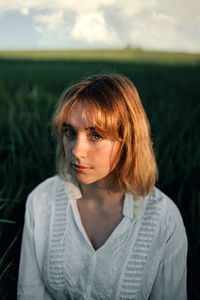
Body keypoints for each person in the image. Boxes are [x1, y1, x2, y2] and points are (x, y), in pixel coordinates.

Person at [17, 73, 188, 300]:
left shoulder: (164, 220)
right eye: (70, 132)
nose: (77, 151)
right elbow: (29, 293)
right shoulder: (41, 201)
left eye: (95, 135)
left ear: (128, 140)